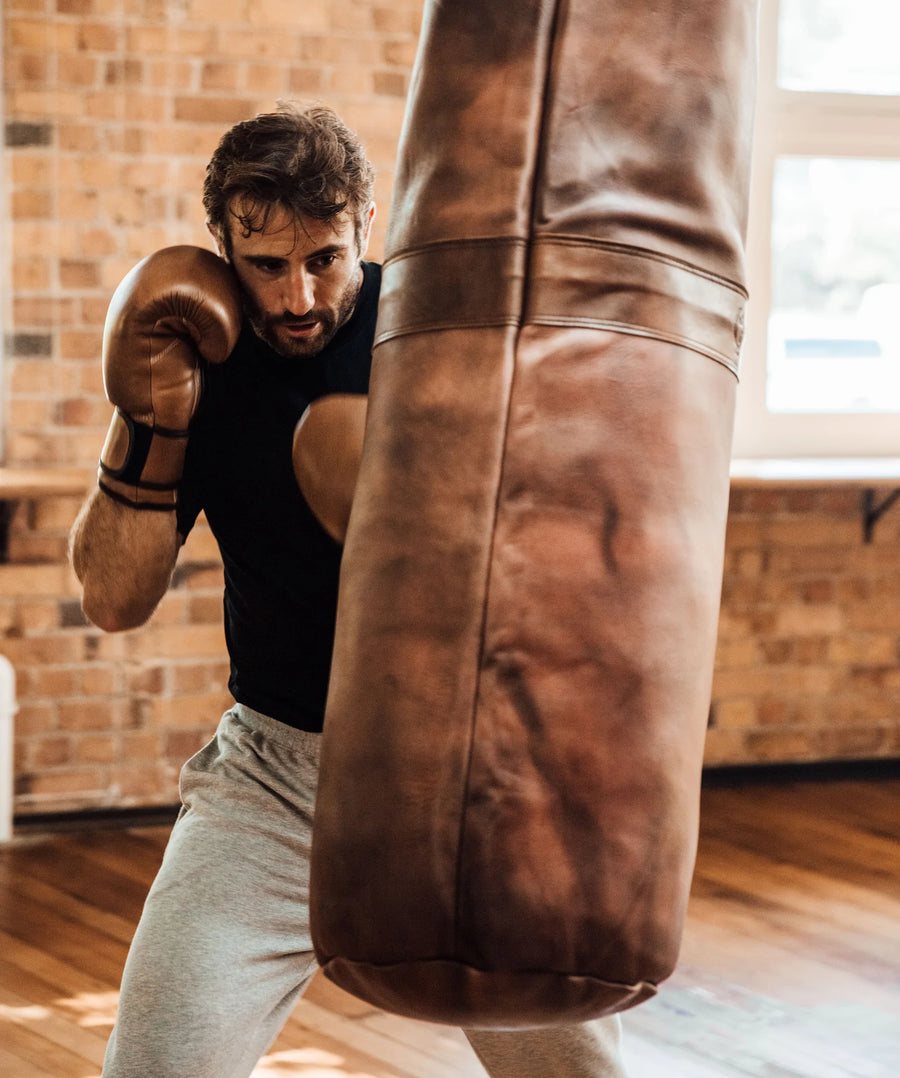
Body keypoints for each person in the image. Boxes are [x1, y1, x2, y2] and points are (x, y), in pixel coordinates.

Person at [69, 100, 628, 1078]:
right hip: (275, 777)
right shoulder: (199, 354)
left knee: (574, 1072)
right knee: (153, 1067)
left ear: (366, 231)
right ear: (223, 248)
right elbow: (114, 600)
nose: (295, 297)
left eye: (323, 258)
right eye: (266, 265)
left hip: (461, 774)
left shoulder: (440, 334)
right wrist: (148, 425)